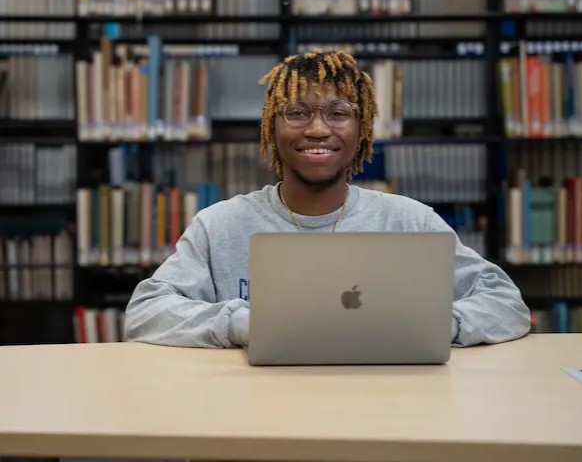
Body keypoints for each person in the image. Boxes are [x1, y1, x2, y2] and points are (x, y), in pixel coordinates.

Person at [125, 49, 531, 348]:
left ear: (361, 128)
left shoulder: (410, 221)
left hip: (387, 412)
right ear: (272, 126)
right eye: (297, 112)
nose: (318, 129)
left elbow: (507, 304)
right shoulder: (221, 226)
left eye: (338, 113)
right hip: (257, 414)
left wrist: (444, 323)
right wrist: (245, 324)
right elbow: (145, 313)